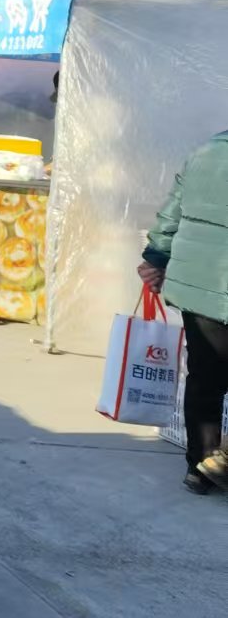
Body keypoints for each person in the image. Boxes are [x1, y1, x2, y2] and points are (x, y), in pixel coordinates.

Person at [139, 131, 228, 495]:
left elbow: (172, 210)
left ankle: (200, 467)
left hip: (197, 281)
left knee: (205, 378)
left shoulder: (206, 150)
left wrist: (156, 257)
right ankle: (216, 463)